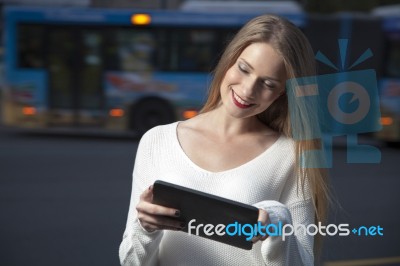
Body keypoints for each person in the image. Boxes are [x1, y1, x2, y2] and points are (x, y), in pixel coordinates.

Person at [119, 14, 329, 266]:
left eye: (268, 83)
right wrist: (145, 228)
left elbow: (303, 262)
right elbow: (131, 262)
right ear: (229, 61)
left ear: (283, 92)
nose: (248, 90)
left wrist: (277, 223)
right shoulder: (157, 140)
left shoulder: (293, 154)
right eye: (244, 69)